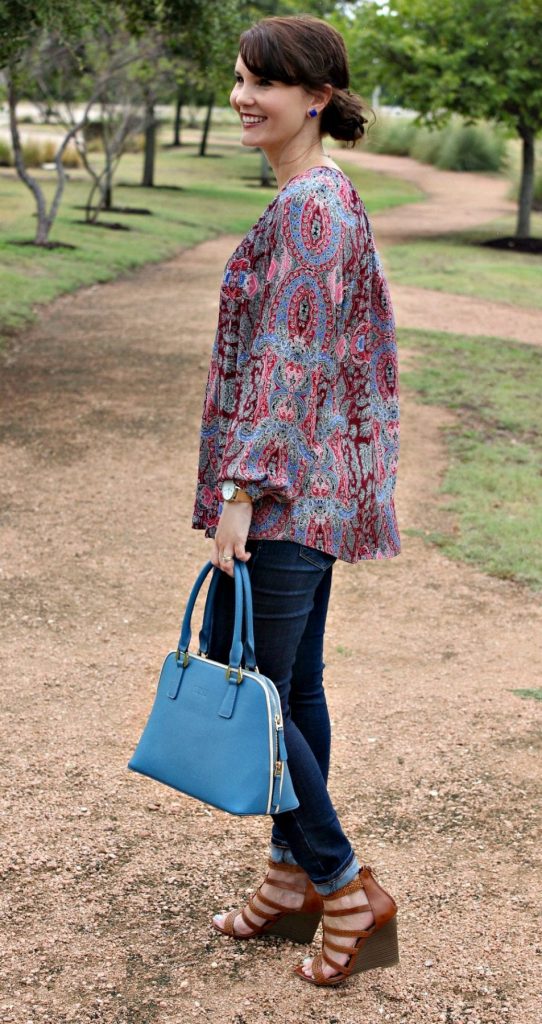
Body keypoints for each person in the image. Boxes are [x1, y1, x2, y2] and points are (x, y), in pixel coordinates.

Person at [192, 14, 400, 987]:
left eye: (261, 83)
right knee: (290, 687)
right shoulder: (309, 199)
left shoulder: (313, 207)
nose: (241, 95)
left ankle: (344, 886)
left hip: (284, 496)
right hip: (300, 490)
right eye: (237, 77)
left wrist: (241, 489)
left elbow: (292, 364)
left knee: (259, 698)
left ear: (314, 96)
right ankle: (288, 874)